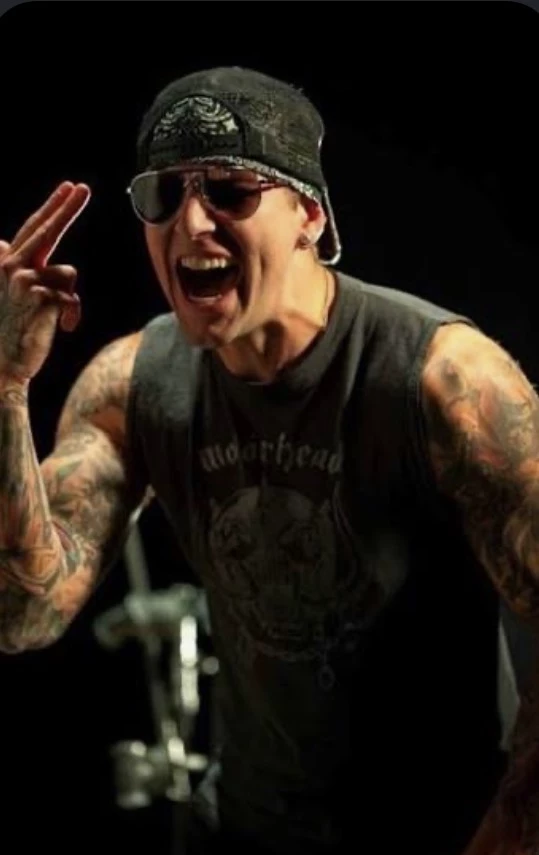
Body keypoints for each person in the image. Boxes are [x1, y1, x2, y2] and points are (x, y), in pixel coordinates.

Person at [0, 65, 537, 854]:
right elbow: (22, 614)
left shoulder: (446, 380)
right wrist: (6, 386)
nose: (191, 223)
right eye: (164, 194)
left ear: (308, 214)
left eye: (229, 190)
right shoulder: (135, 382)